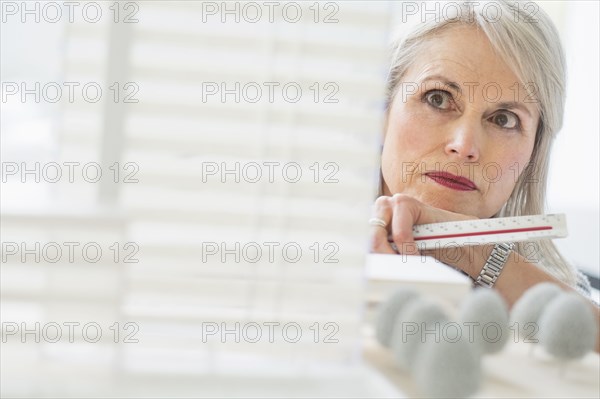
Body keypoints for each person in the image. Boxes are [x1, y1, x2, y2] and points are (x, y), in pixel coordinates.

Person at [369, 0, 599, 351]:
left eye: (504, 119)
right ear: (383, 109)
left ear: (533, 152)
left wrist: (475, 252)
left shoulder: (557, 291)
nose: (464, 146)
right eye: (438, 98)